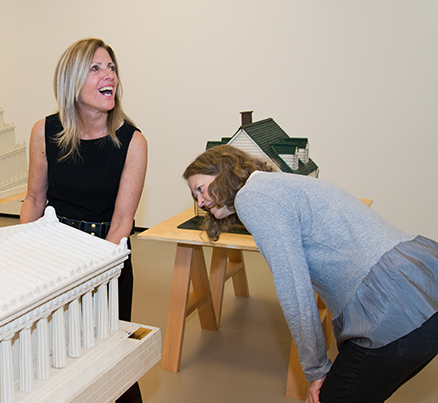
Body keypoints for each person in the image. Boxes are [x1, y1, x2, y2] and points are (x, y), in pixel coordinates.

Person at [183, 144, 438, 403]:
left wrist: (316, 369)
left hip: (392, 307)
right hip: (424, 285)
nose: (201, 202)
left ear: (224, 171)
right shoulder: (276, 184)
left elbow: (294, 288)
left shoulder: (252, 197)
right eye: (196, 197)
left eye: (201, 189)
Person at [20, 38, 147, 402]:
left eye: (111, 68)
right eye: (96, 68)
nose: (109, 75)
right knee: (53, 356)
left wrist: (95, 281)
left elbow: (123, 222)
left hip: (106, 258)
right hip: (54, 255)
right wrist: (21, 260)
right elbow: (34, 198)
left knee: (110, 357)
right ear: (72, 81)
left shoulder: (133, 142)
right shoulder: (44, 132)